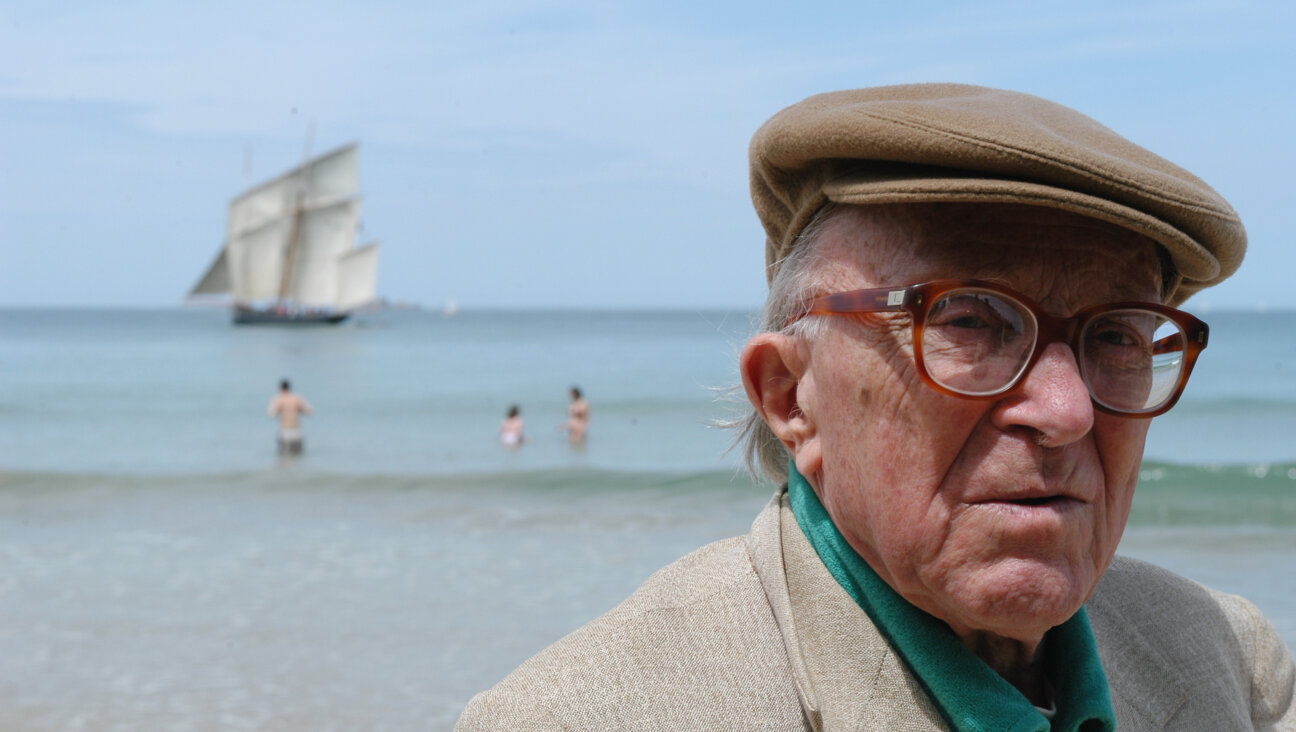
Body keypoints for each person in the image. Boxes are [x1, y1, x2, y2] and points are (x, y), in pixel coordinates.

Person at [457, 84, 1295, 730]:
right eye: (970, 319)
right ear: (792, 398)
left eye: (1116, 336)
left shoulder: (1228, 658)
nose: (1068, 410)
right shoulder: (581, 716)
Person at [267, 379, 312, 454]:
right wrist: (298, 410)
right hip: (297, 431)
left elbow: (271, 414)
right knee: (298, 455)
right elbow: (310, 411)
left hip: (285, 432)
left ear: (280, 388)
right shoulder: (297, 398)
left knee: (285, 456)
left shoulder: (279, 399)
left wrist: (281, 411)